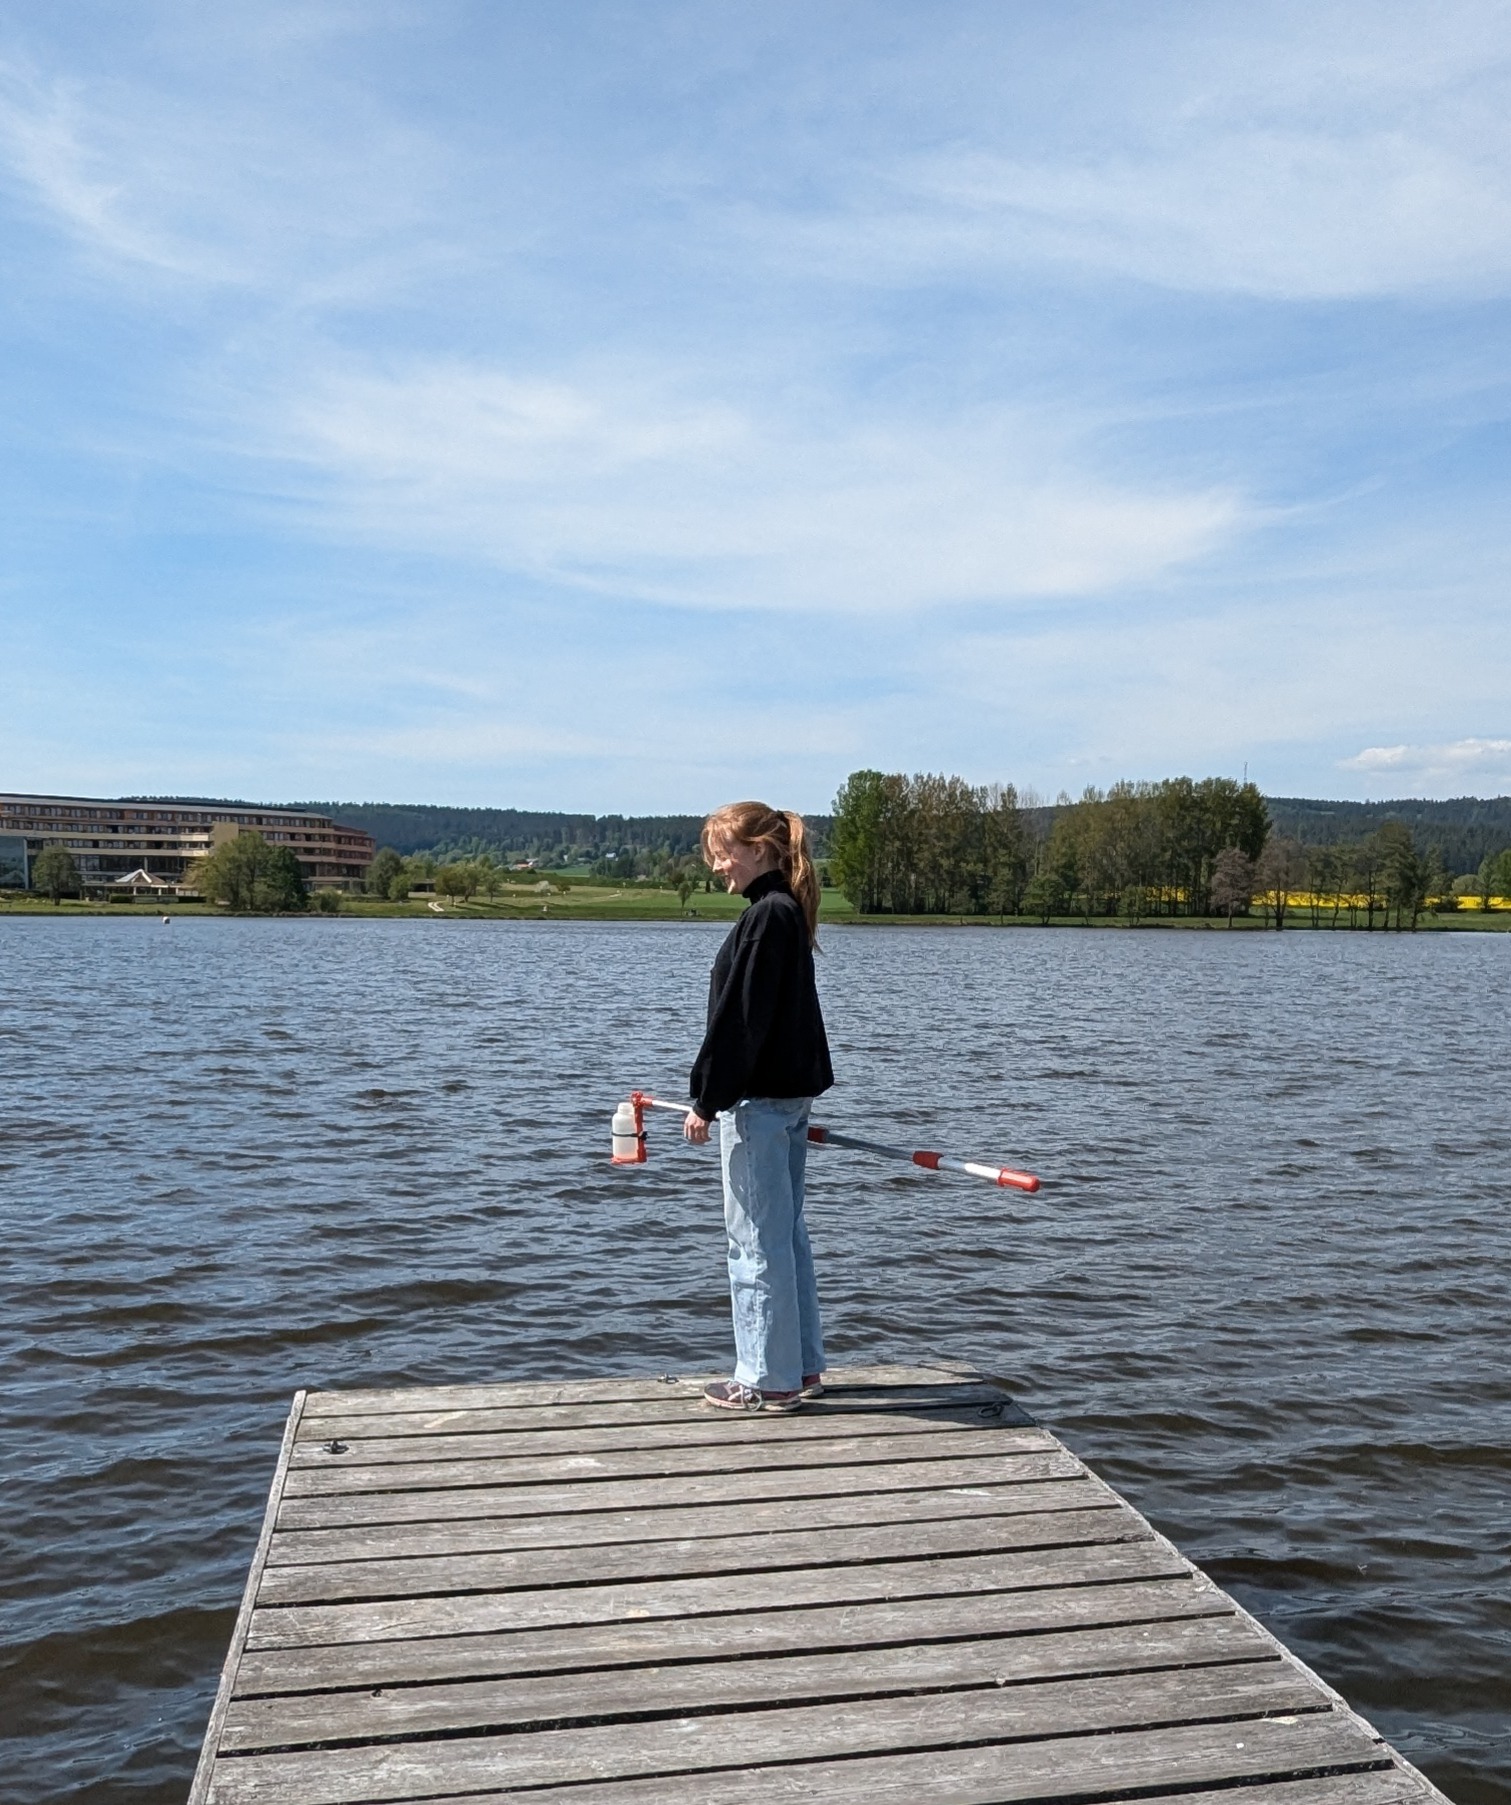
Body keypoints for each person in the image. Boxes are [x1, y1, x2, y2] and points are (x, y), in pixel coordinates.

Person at [685, 801, 834, 1413]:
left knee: (754, 1242)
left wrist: (707, 1100)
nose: (718, 866)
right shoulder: (784, 912)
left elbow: (741, 1021)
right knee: (784, 1236)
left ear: (759, 849)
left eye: (724, 853)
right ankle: (800, 1367)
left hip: (761, 1104)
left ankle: (765, 1380)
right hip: (787, 1099)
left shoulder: (767, 916)